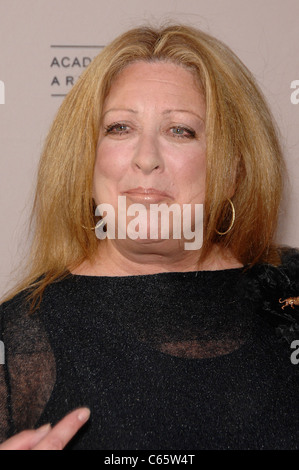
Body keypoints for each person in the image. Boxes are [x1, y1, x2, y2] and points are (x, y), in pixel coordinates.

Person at [0, 24, 298, 450]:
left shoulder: (290, 294)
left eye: (181, 130)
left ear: (233, 171)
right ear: (85, 159)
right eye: (120, 128)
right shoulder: (18, 340)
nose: (146, 159)